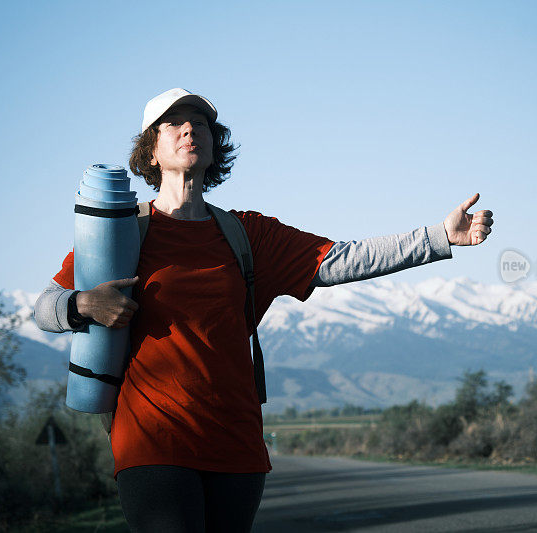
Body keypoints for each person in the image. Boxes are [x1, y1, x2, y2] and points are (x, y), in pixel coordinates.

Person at [34, 88, 494, 532]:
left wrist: (439, 237)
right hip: (151, 442)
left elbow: (340, 259)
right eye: (173, 123)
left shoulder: (247, 234)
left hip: (236, 444)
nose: (189, 129)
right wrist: (83, 304)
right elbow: (43, 308)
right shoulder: (121, 234)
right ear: (150, 151)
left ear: (215, 147)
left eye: (200, 123)